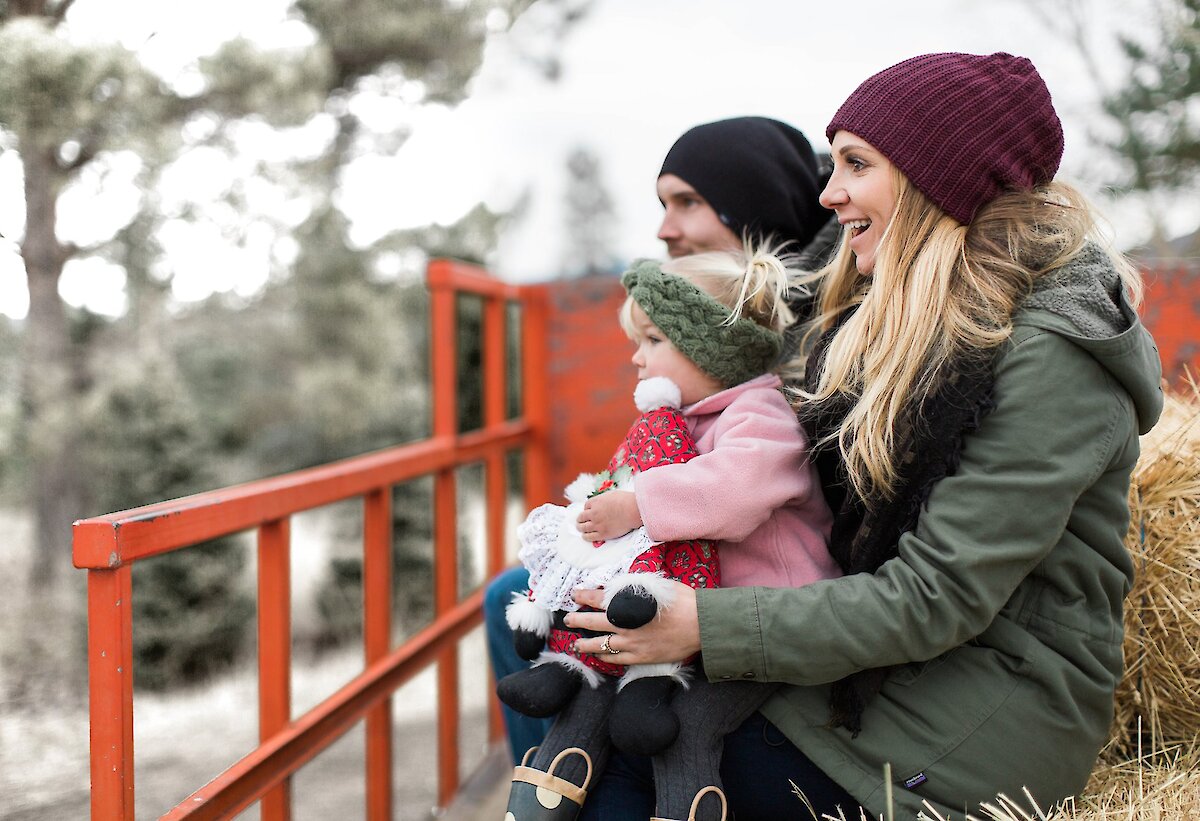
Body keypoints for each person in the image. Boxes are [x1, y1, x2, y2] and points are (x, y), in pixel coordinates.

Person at [566, 52, 1164, 820]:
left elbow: (933, 597)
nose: (829, 191)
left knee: (626, 764)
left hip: (984, 714)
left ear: (934, 179)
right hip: (891, 671)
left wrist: (702, 626)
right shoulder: (902, 316)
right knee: (609, 729)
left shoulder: (1049, 355)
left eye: (856, 163)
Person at [483, 116, 840, 764]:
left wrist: (638, 504)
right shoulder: (709, 345)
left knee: (534, 608)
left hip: (764, 608)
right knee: (525, 594)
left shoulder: (805, 334)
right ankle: (552, 772)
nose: (664, 228)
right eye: (660, 204)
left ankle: (570, 773)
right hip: (698, 568)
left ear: (753, 209)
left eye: (688, 202)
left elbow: (745, 479)